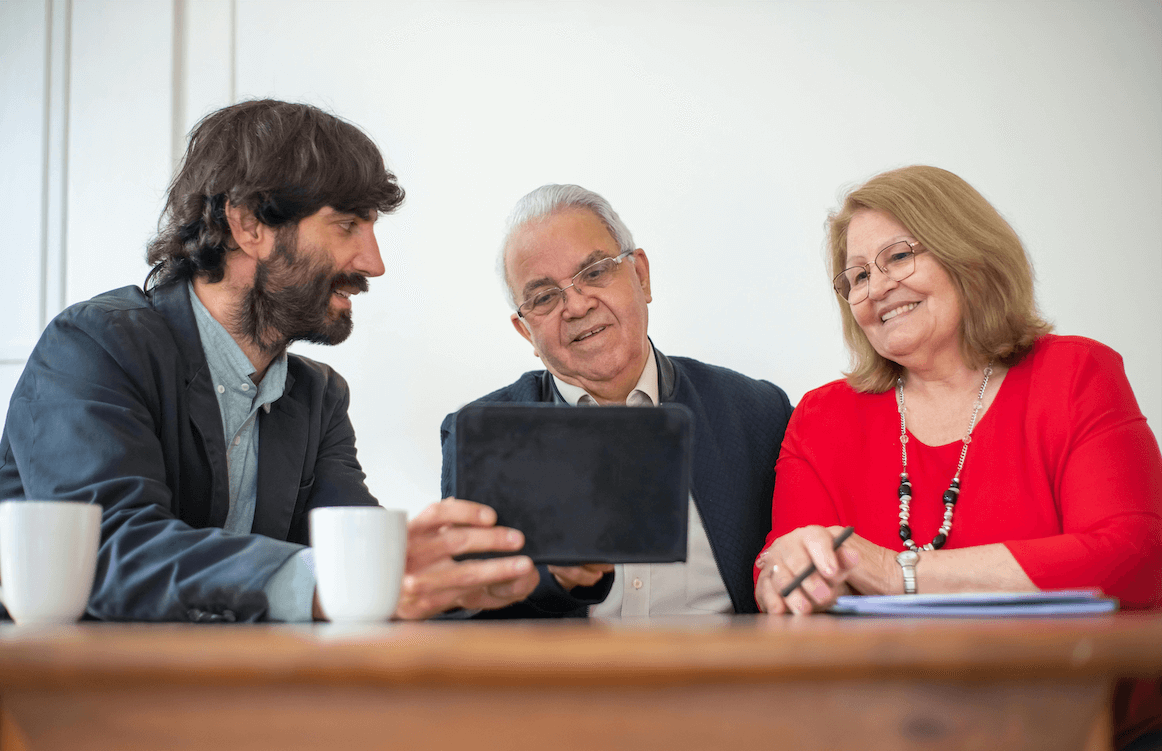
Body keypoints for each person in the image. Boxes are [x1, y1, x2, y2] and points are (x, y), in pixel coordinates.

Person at [0, 100, 540, 622]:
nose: (373, 263)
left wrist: (528, 575)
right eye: (347, 225)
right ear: (249, 226)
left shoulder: (317, 398)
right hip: (63, 701)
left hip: (235, 698)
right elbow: (108, 550)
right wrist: (349, 582)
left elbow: (379, 576)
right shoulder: (92, 347)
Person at [753, 165, 1161, 613]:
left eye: (898, 256)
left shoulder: (1076, 373)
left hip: (1060, 679)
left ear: (966, 254)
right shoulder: (821, 418)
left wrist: (896, 573)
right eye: (859, 277)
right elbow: (783, 575)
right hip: (879, 682)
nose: (878, 288)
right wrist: (789, 576)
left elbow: (1134, 558)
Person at [440, 184, 793, 617]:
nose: (577, 305)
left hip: (719, 679)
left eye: (594, 272)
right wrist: (551, 576)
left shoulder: (757, 412)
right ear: (525, 332)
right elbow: (468, 616)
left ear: (641, 276)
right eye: (545, 297)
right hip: (566, 683)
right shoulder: (483, 436)